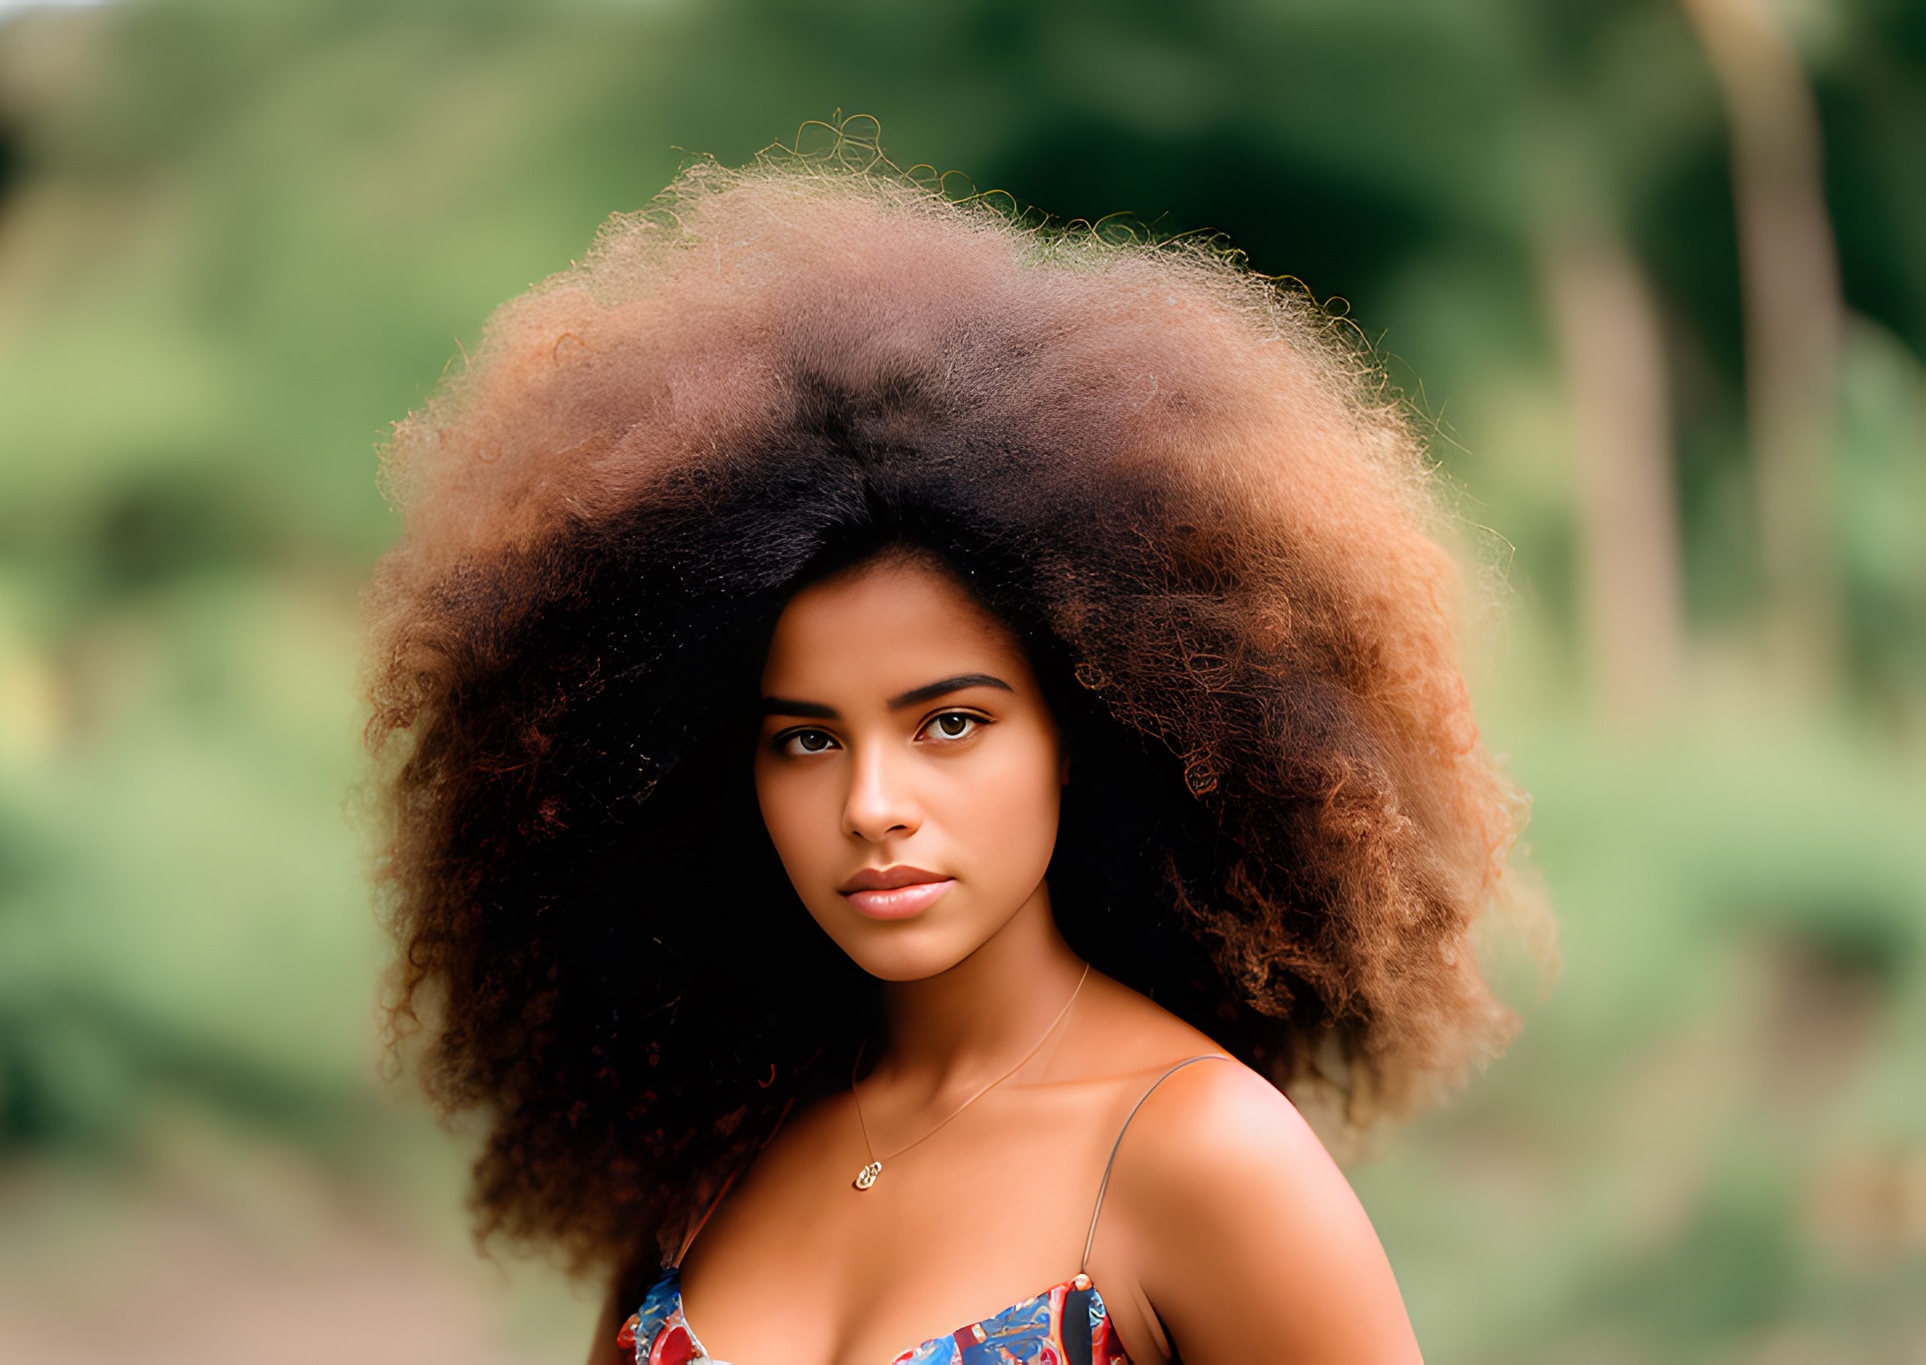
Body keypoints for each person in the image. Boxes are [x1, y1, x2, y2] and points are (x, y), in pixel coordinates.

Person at [363, 142, 1548, 1365]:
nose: (873, 805)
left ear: (1083, 736)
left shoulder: (1198, 1155)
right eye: (807, 739)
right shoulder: (722, 1140)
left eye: (949, 723)